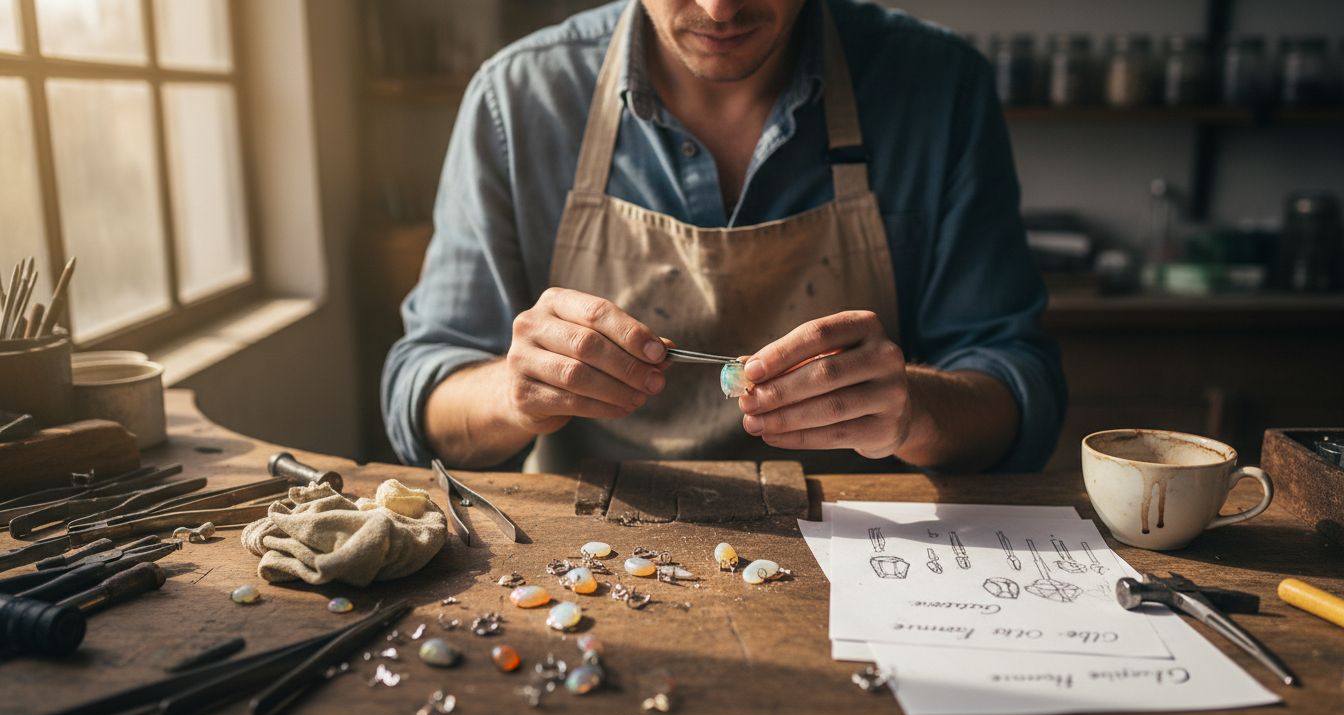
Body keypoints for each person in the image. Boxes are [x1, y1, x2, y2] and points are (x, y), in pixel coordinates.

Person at [382, 0, 1067, 475]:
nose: (718, 11)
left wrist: (914, 412)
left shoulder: (939, 90)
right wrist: (514, 392)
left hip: (872, 555)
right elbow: (420, 403)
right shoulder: (518, 101)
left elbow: (1020, 394)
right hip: (599, 557)